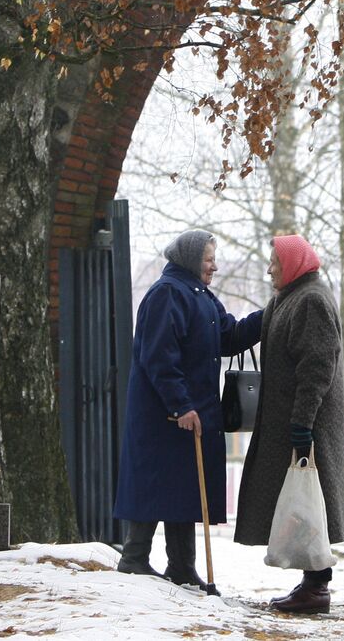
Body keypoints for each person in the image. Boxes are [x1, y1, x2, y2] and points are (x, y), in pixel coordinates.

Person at [112, 230, 262, 589]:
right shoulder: (167, 294)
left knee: (183, 486)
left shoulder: (200, 296)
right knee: (157, 483)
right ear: (192, 259)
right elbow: (159, 356)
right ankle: (134, 558)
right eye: (209, 258)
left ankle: (181, 566)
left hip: (188, 413)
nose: (214, 265)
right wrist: (181, 405)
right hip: (165, 414)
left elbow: (229, 337)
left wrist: (267, 315)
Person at [234, 234, 344, 615]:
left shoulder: (312, 300)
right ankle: (311, 582)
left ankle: (317, 586)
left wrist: (303, 424)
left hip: (307, 423)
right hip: (289, 421)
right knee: (297, 501)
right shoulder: (290, 297)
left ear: (293, 264)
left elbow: (318, 367)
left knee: (308, 500)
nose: (270, 268)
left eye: (275, 262)